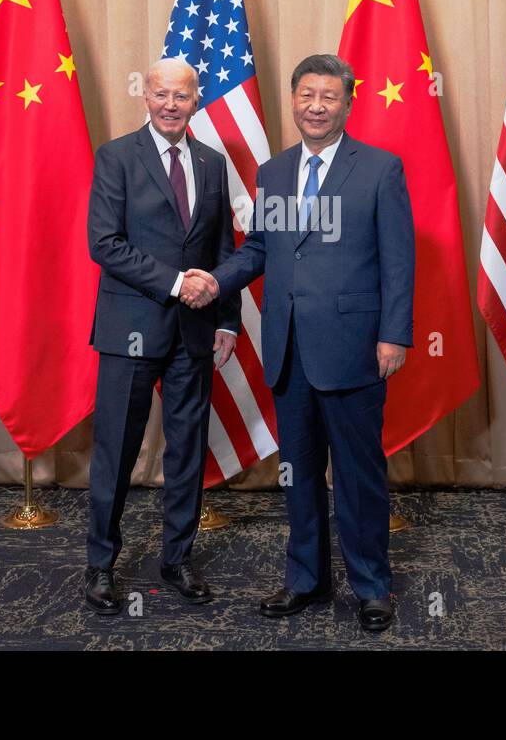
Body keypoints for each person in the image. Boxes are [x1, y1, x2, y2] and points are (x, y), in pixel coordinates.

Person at [182, 53, 414, 632]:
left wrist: (394, 334)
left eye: (328, 97)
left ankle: (371, 586)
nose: (316, 106)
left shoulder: (380, 169)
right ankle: (305, 579)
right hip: (289, 348)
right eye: (306, 95)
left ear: (346, 103)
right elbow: (260, 247)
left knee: (359, 476)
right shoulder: (274, 172)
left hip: (354, 347)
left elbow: (399, 260)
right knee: (299, 472)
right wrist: (216, 280)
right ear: (293, 100)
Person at [83, 57, 239, 615]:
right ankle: (101, 565)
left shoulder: (213, 164)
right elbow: (105, 244)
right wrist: (175, 283)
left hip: (195, 333)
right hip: (130, 330)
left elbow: (223, 248)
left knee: (188, 453)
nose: (171, 104)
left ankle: (177, 558)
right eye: (160, 94)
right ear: (144, 97)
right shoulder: (117, 157)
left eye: (182, 95)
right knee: (117, 452)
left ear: (197, 100)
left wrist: (226, 316)